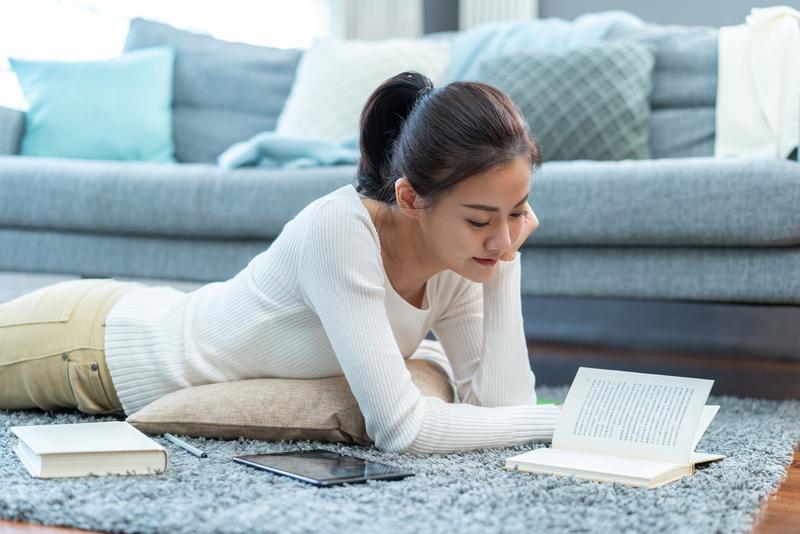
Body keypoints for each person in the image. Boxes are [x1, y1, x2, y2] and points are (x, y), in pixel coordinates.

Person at [0, 71, 561, 454]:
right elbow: (402, 428)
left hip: (139, 318)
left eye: (517, 212)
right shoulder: (340, 230)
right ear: (411, 199)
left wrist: (505, 263)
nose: (502, 235)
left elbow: (502, 406)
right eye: (481, 220)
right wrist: (560, 422)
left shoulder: (459, 261)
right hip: (92, 343)